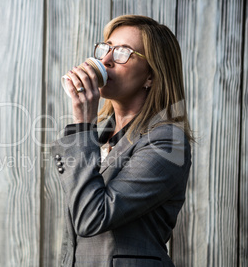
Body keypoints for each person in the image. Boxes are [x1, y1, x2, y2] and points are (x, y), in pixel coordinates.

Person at [51, 15, 193, 267]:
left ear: (151, 75)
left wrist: (83, 123)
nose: (105, 60)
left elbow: (91, 218)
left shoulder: (168, 142)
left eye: (123, 53)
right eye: (106, 48)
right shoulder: (100, 136)